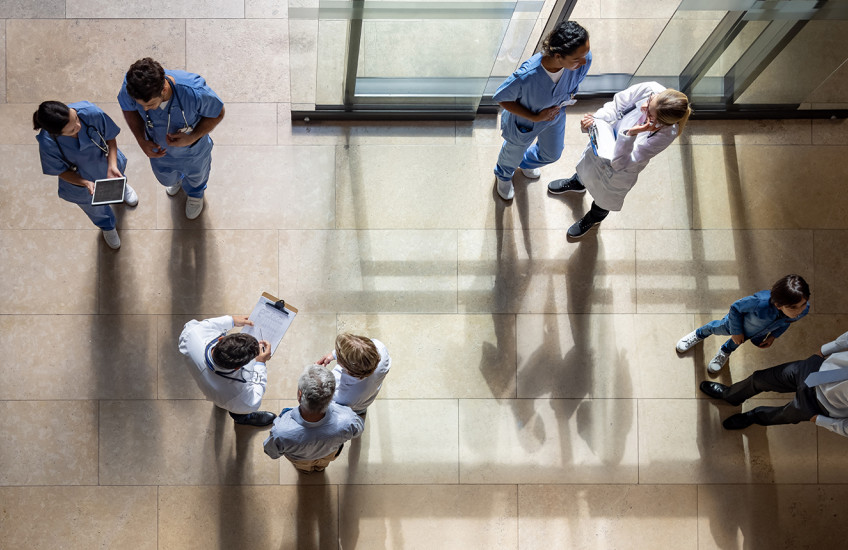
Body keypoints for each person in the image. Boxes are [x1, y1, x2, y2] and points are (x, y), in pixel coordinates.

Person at [548, 82, 691, 238]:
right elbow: (617, 105)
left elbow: (620, 163)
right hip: (606, 141)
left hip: (620, 171)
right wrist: (596, 120)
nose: (643, 107)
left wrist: (631, 134)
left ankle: (593, 219)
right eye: (650, 100)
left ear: (660, 123)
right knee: (586, 168)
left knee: (604, 200)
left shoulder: (664, 135)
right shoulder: (650, 88)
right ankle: (578, 183)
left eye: (650, 114)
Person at [492, 20, 591, 201]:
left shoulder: (583, 61)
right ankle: (504, 174)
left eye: (585, 53)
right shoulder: (527, 76)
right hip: (525, 122)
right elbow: (502, 97)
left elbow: (573, 82)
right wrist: (534, 116)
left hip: (555, 116)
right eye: (577, 59)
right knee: (512, 152)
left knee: (551, 153)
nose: (585, 61)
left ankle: (523, 163)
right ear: (558, 56)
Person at [118, 57, 225, 220]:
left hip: (193, 151)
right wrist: (141, 139)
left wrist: (192, 137)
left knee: (197, 177)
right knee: (166, 177)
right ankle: (176, 180)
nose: (145, 109)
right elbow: (128, 108)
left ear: (164, 90)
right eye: (141, 105)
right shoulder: (132, 87)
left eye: (150, 104)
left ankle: (195, 195)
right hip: (160, 151)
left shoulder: (194, 92)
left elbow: (218, 112)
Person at [33, 100, 138, 249]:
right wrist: (85, 183)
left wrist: (112, 164)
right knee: (95, 209)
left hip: (106, 163)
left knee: (117, 176)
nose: (78, 126)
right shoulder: (48, 143)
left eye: (75, 118)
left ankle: (122, 187)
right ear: (56, 133)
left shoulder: (90, 112)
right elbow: (61, 171)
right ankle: (107, 227)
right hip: (81, 182)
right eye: (71, 131)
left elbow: (110, 138)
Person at [700, 330, 848, 433]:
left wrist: (820, 420)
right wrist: (824, 351)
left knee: (780, 415)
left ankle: (752, 417)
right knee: (760, 379)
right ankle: (730, 395)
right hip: (817, 368)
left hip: (820, 406)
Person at [677, 274, 811, 374]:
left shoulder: (802, 311)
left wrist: (772, 336)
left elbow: (786, 323)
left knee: (737, 343)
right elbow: (735, 308)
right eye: (793, 308)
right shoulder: (759, 302)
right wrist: (736, 331)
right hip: (735, 325)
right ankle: (699, 334)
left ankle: (725, 351)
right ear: (779, 305)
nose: (799, 311)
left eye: (803, 304)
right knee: (715, 328)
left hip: (757, 333)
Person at [178, 314, 276, 427]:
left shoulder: (191, 334)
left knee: (222, 400)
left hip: (211, 389)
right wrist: (260, 364)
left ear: (221, 339)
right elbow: (253, 402)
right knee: (238, 409)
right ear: (237, 368)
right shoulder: (239, 396)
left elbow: (200, 326)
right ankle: (242, 418)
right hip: (228, 399)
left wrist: (230, 321)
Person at [263, 365, 364, 473]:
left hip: (300, 459)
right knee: (323, 464)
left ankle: (306, 471)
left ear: (300, 394)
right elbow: (358, 429)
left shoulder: (281, 431)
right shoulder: (348, 419)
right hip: (328, 454)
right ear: (331, 395)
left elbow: (272, 451)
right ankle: (320, 469)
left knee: (304, 467)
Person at [317, 333, 391, 416]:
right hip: (367, 396)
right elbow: (361, 351)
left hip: (355, 407)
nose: (336, 354)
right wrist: (333, 355)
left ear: (349, 369)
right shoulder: (381, 349)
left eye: (339, 355)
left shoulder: (340, 395)